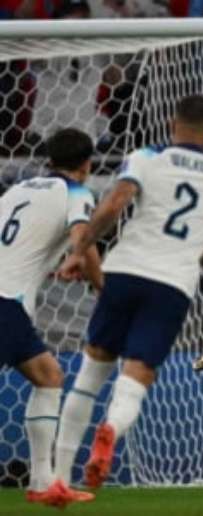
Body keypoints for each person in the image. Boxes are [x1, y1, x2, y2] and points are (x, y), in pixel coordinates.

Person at [54, 94, 203, 491]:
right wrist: (195, 254)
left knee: (91, 374)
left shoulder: (147, 156)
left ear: (173, 123)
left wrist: (79, 250)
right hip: (173, 284)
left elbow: (114, 204)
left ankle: (58, 478)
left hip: (124, 270)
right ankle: (111, 428)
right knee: (138, 373)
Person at [0, 128, 101, 506]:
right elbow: (83, 238)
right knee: (48, 378)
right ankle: (44, 482)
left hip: (7, 300)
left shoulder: (18, 190)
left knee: (48, 376)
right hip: (5, 298)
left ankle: (44, 482)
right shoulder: (77, 193)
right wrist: (101, 287)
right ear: (87, 164)